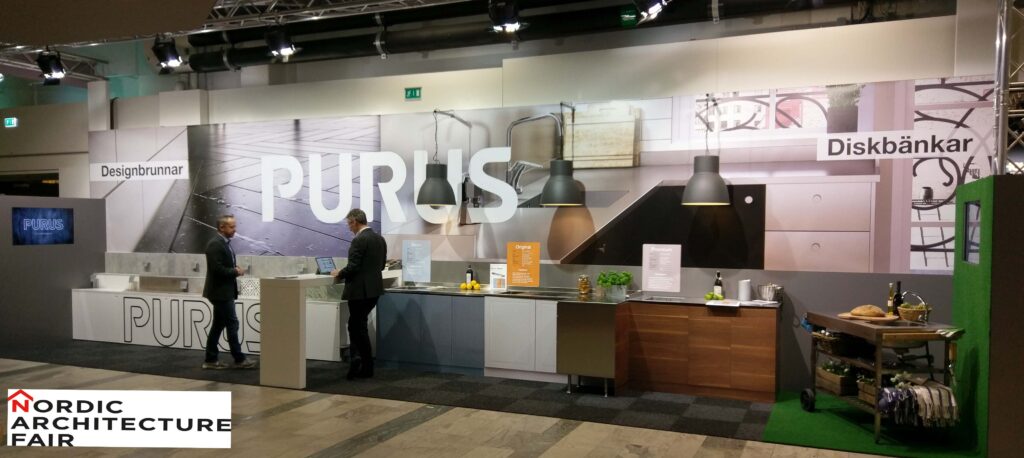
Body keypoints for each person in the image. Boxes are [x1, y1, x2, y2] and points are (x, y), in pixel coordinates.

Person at [331, 208, 387, 379]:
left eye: (349, 224)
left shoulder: (359, 240)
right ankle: (360, 363)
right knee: (357, 326)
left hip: (359, 292)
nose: (349, 228)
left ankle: (364, 365)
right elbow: (381, 266)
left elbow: (353, 267)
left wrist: (340, 273)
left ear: (354, 222)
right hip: (374, 291)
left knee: (356, 327)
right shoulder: (379, 239)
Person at [202, 214, 257, 370]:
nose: (235, 229)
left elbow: (222, 266)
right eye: (232, 227)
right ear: (222, 227)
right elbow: (217, 270)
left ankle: (211, 359)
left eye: (234, 226)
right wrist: (235, 271)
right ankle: (239, 358)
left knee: (218, 325)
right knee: (232, 323)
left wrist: (234, 269)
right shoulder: (215, 244)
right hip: (220, 293)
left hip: (223, 292)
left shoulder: (224, 243)